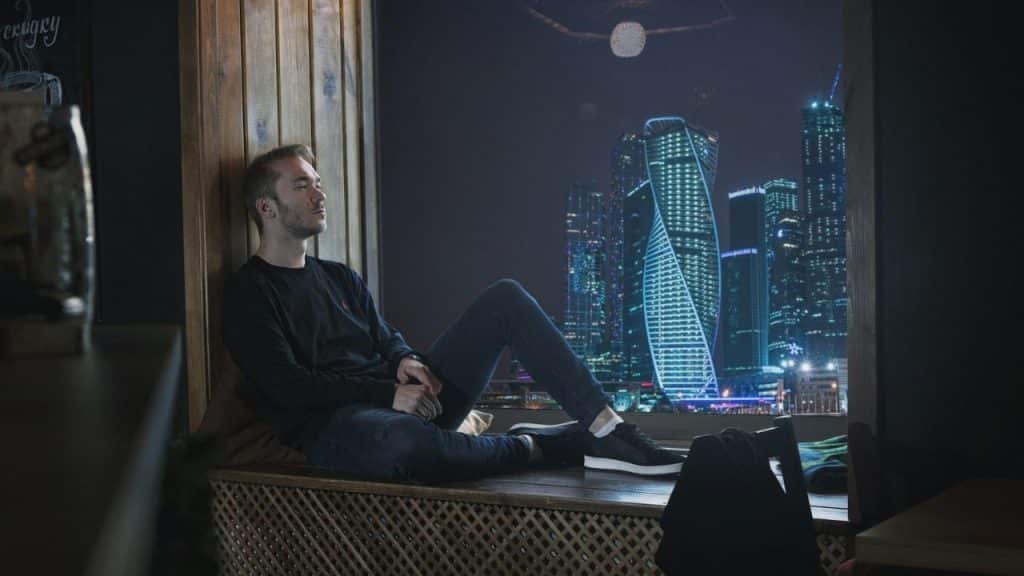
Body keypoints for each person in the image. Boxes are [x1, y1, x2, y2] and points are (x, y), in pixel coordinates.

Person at [224, 144, 683, 484]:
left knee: (505, 298)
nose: (319, 193)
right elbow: (289, 386)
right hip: (341, 427)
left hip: (407, 403)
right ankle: (541, 445)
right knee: (408, 446)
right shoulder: (250, 292)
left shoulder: (338, 276)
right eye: (302, 185)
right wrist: (388, 394)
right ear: (267, 208)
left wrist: (405, 360)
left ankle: (607, 429)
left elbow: (385, 337)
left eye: (318, 182)